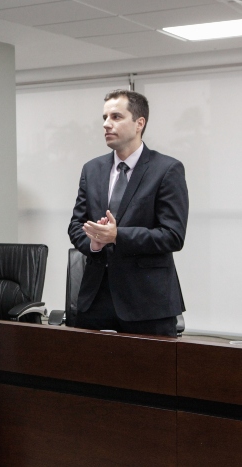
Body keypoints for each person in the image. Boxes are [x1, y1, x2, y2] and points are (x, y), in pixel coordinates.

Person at [68, 90, 189, 337]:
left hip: (148, 303)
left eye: (116, 116)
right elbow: (76, 225)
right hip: (95, 299)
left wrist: (117, 236)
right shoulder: (92, 169)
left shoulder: (167, 169)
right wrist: (94, 243)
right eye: (104, 117)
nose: (106, 124)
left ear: (139, 123)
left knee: (151, 374)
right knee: (87, 373)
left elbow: (172, 235)